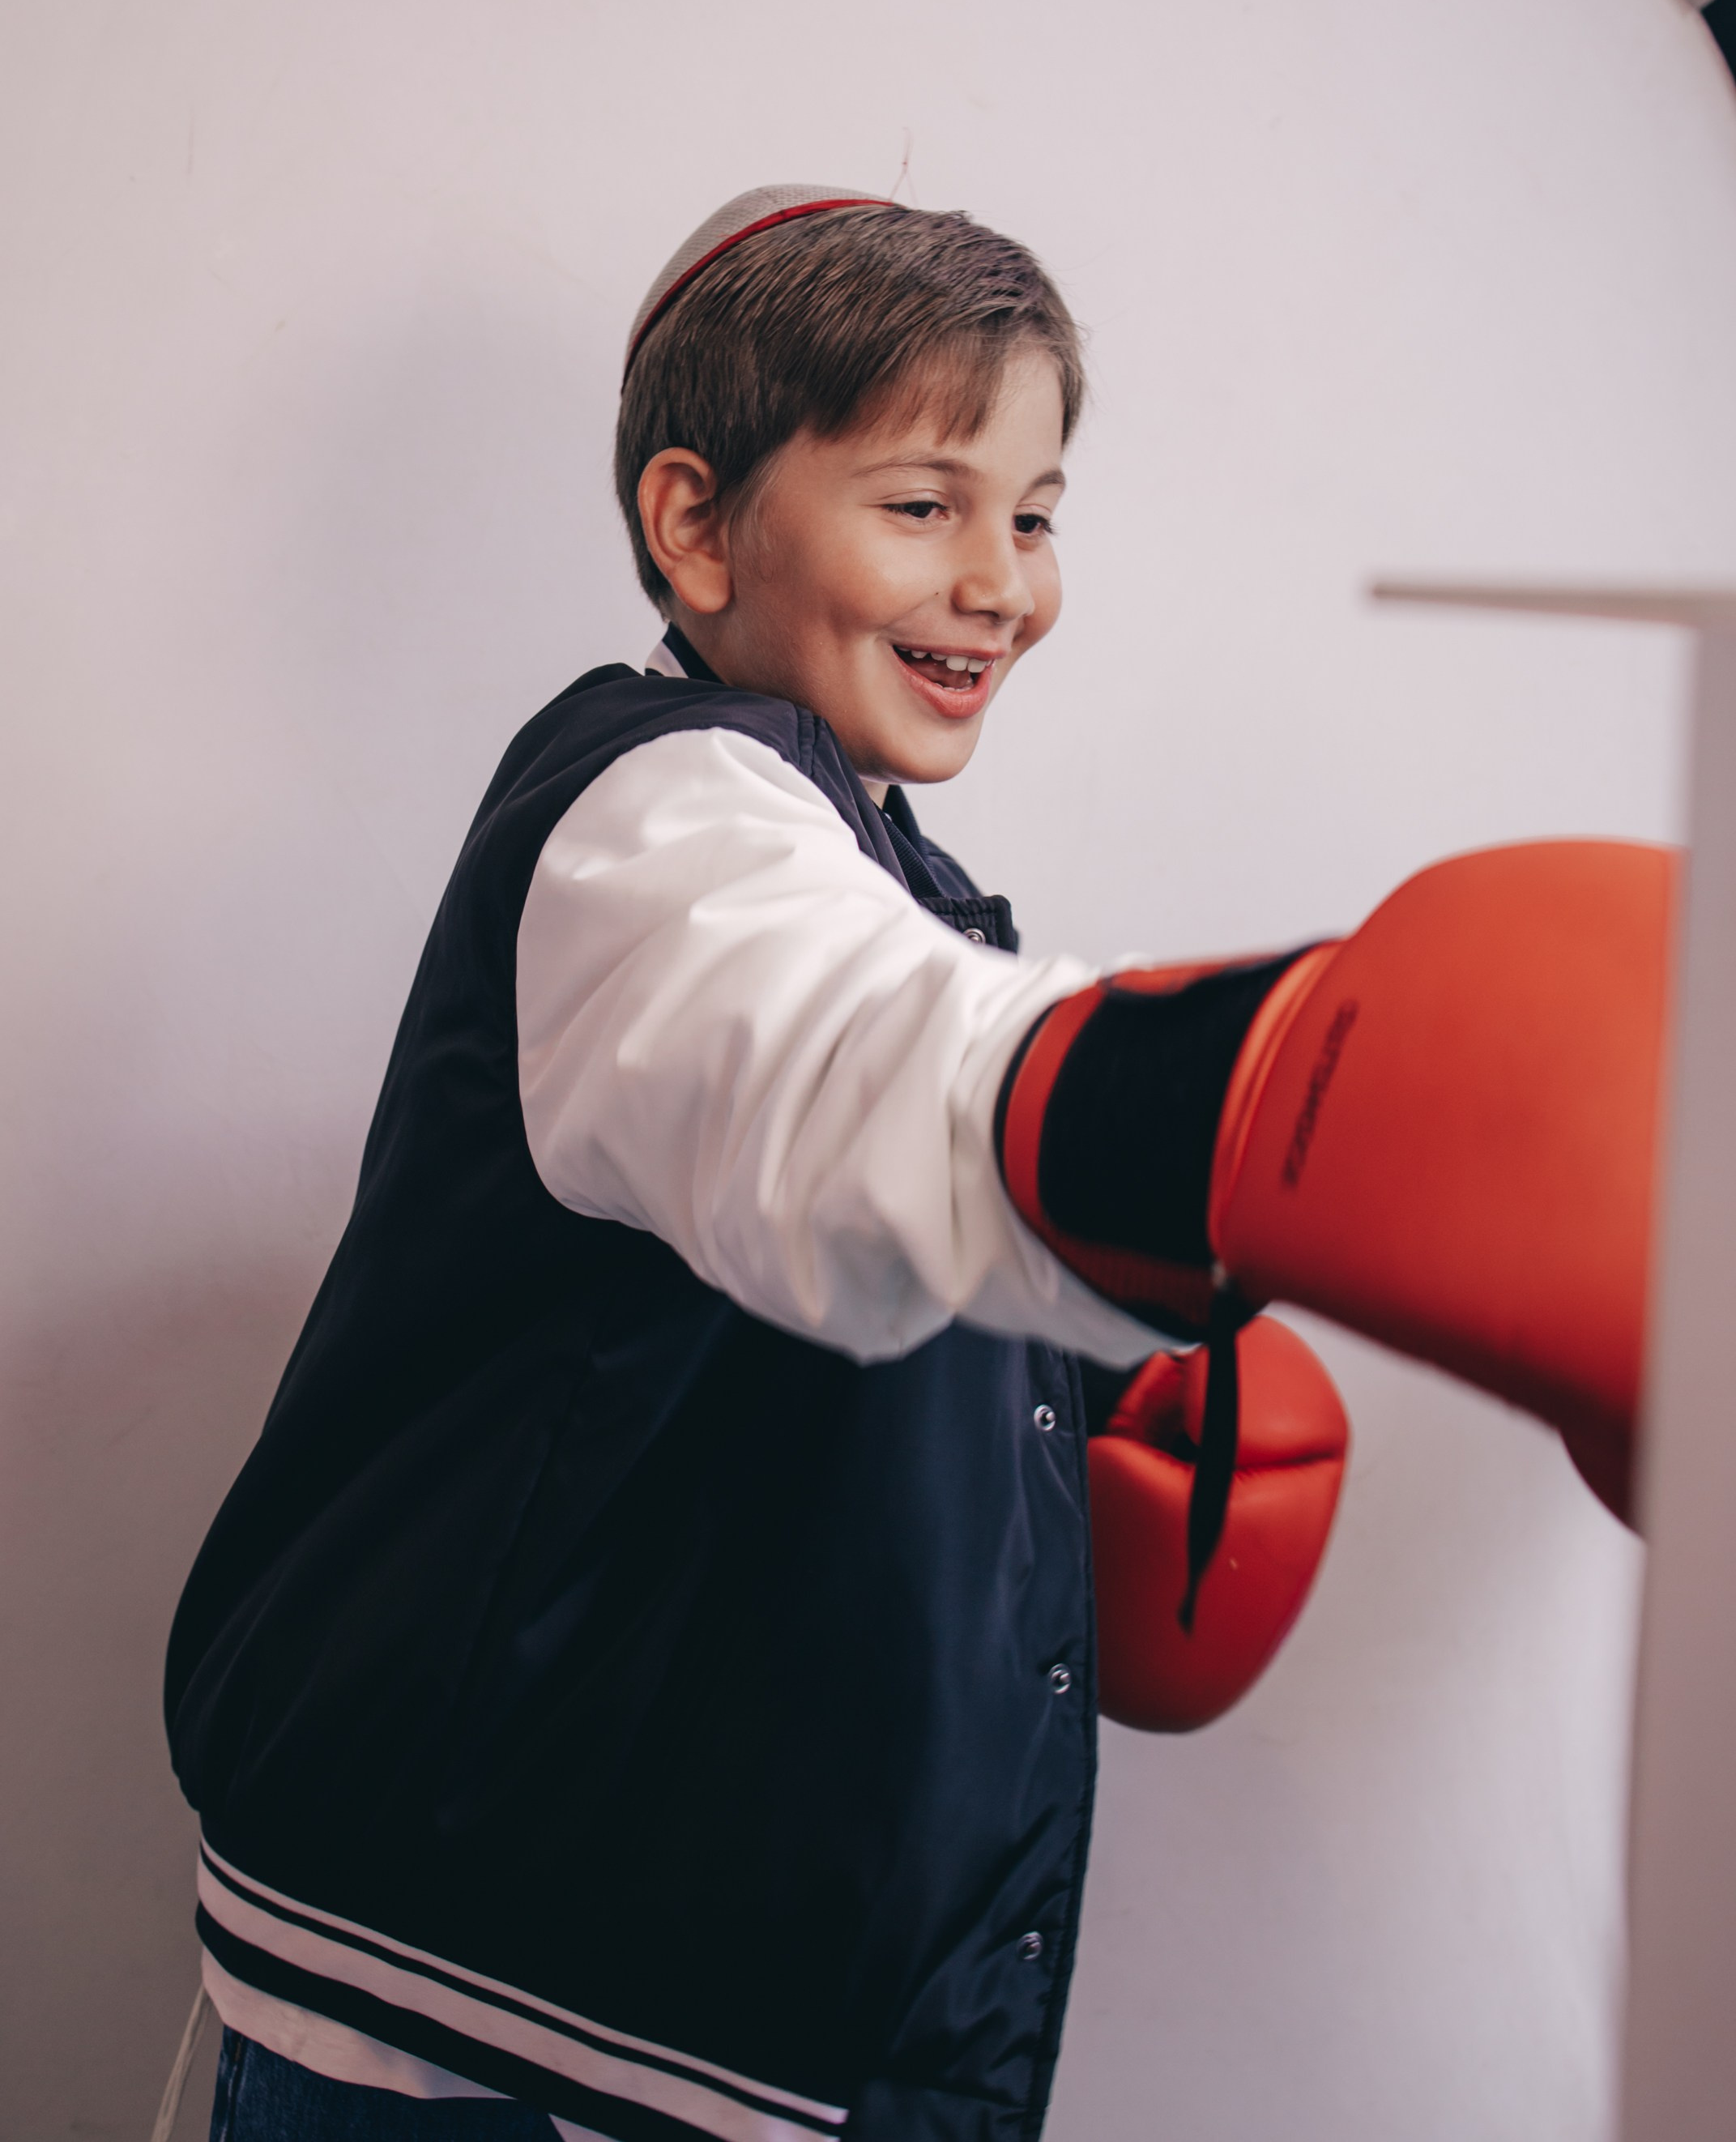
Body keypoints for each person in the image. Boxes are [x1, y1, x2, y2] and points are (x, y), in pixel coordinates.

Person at [167, 186, 1660, 2142]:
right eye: (921, 503)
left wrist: (1071, 1411)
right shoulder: (658, 811)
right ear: (692, 524)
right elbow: (845, 1076)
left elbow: (832, 1192)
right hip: (498, 2047)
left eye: (1034, 514)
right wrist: (1293, 1104)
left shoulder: (878, 871)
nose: (1002, 584)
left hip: (662, 2017)